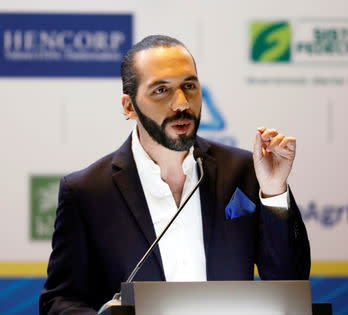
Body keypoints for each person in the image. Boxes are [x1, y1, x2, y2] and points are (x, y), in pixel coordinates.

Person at [39, 35, 310, 314]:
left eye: (189, 86)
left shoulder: (246, 171)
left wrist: (275, 191)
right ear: (129, 106)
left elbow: (291, 283)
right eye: (161, 90)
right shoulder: (87, 192)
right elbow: (59, 302)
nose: (181, 103)